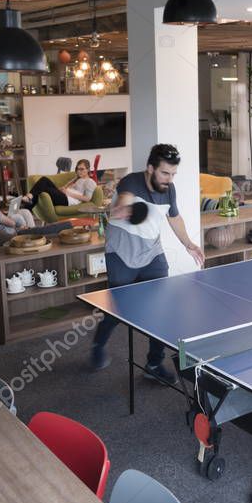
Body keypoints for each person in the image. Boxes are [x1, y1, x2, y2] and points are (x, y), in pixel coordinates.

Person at [90, 144, 205, 382]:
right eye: (164, 173)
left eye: (173, 174)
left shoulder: (169, 189)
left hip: (152, 253)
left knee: (160, 309)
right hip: (121, 253)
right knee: (117, 309)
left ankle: (153, 364)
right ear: (150, 168)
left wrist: (188, 243)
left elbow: (174, 217)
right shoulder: (131, 181)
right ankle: (98, 345)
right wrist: (122, 208)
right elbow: (124, 198)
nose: (169, 179)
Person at [21, 159, 96, 210]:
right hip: (63, 195)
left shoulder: (89, 181)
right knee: (44, 180)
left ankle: (27, 205)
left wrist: (68, 193)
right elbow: (65, 188)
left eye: (82, 169)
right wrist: (62, 189)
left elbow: (87, 198)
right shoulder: (77, 178)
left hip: (68, 200)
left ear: (88, 169)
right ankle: (29, 199)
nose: (79, 171)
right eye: (78, 169)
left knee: (45, 189)